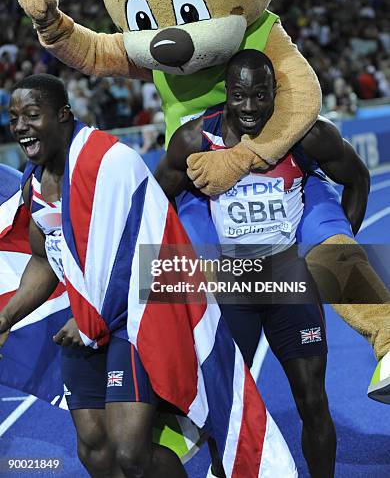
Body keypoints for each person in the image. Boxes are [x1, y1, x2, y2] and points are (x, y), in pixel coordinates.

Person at [0, 74, 296, 478]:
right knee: (93, 449)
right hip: (83, 324)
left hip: (132, 322)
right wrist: (6, 317)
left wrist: (92, 319)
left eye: (32, 115)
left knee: (130, 452)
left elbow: (143, 251)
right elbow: (44, 257)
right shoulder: (33, 181)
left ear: (63, 114)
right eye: (14, 117)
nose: (19, 126)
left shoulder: (110, 162)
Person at [156, 49, 374, 478]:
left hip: (289, 281)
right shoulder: (195, 140)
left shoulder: (304, 135)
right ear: (227, 93)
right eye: (240, 96)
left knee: (312, 400)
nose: (251, 107)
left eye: (260, 95)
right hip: (231, 288)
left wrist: (333, 235)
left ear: (275, 91)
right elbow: (155, 202)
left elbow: (358, 178)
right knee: (227, 405)